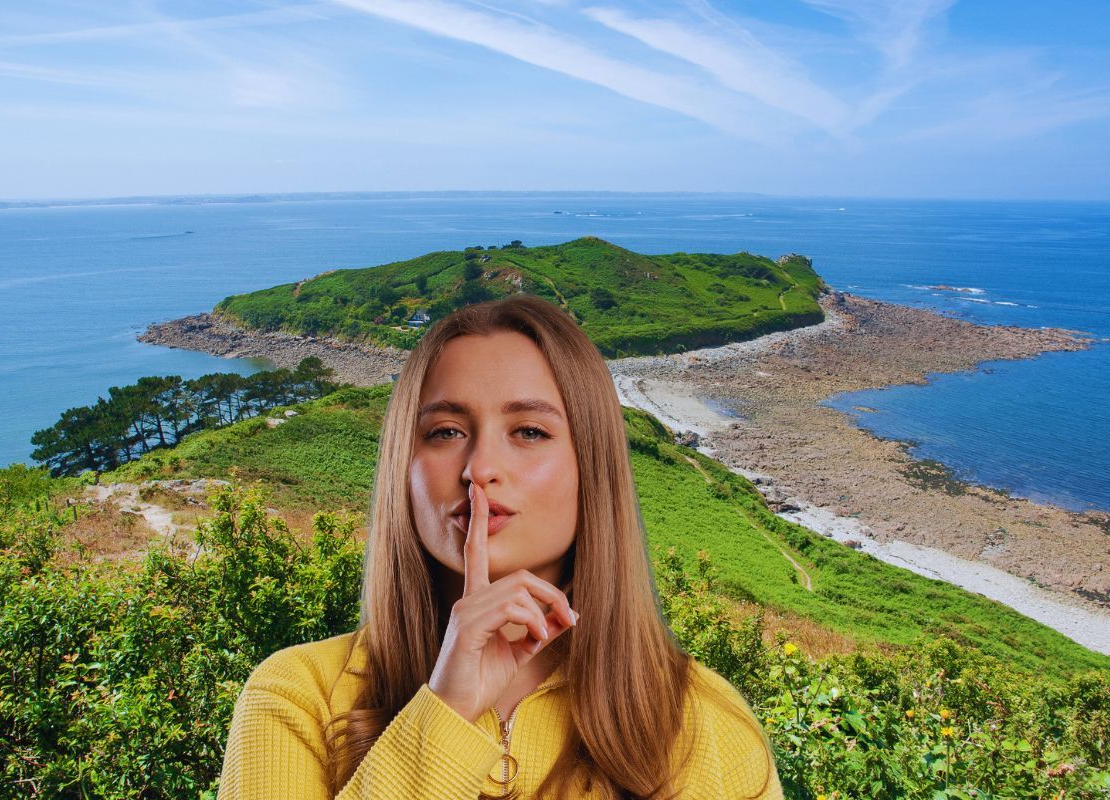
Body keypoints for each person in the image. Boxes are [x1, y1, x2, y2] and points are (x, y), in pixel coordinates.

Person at [217, 293, 783, 799]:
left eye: (530, 432)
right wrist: (445, 712)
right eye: (445, 432)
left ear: (594, 466)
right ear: (402, 468)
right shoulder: (294, 697)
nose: (481, 469)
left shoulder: (707, 721)